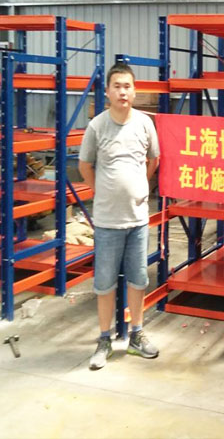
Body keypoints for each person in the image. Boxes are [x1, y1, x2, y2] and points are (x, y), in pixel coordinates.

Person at [79, 62, 160, 370]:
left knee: (138, 280)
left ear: (134, 91)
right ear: (108, 92)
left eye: (127, 86)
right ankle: (104, 340)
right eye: (117, 86)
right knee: (105, 283)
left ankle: (136, 334)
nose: (122, 92)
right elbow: (85, 165)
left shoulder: (144, 123)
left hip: (137, 220)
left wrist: (139, 186)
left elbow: (154, 159)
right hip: (107, 222)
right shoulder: (97, 126)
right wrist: (102, 191)